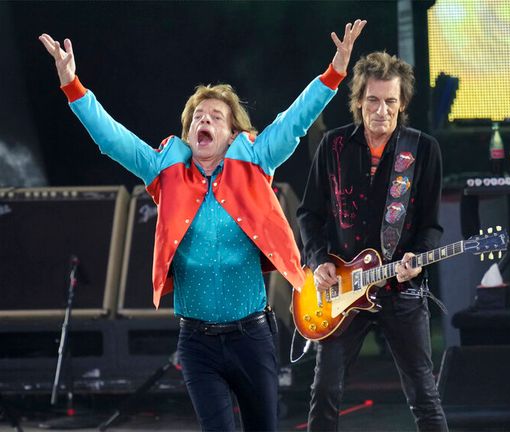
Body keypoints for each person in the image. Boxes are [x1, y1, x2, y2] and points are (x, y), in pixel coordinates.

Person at [39, 20, 366, 432]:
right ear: (189, 131)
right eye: (197, 116)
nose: (204, 121)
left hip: (252, 337)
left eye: (215, 116)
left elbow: (295, 120)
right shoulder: (166, 169)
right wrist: (72, 85)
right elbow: (112, 138)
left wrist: (334, 72)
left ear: (231, 134)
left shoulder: (254, 159)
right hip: (196, 343)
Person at [297, 51, 448, 431]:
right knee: (325, 391)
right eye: (373, 100)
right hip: (343, 288)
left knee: (424, 396)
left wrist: (420, 255)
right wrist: (319, 261)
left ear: (402, 104)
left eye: (391, 102)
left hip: (402, 289)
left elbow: (431, 225)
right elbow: (308, 215)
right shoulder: (332, 147)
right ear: (360, 102)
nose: (382, 110)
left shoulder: (423, 149)